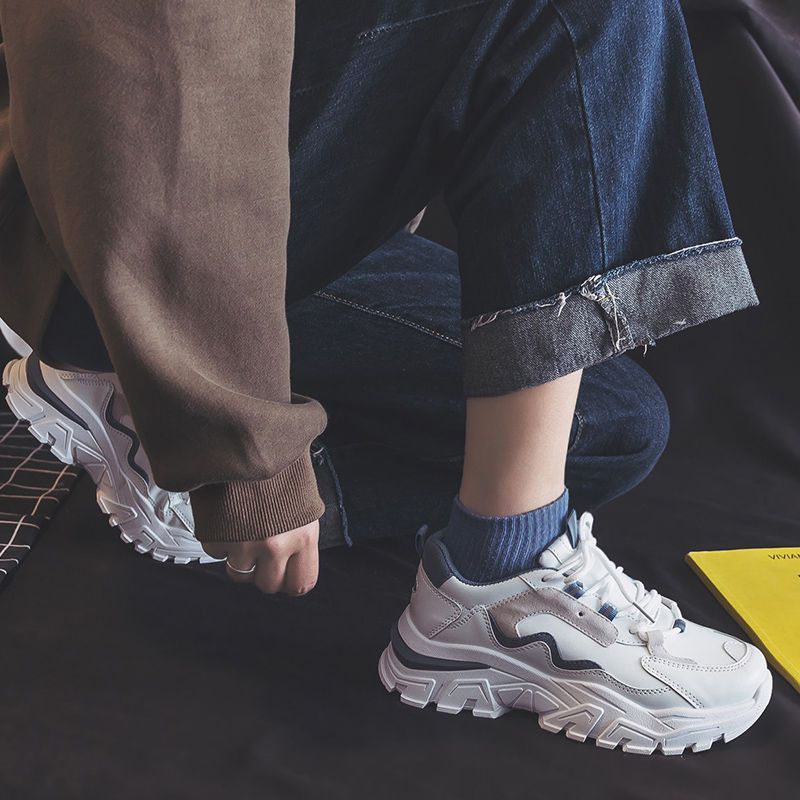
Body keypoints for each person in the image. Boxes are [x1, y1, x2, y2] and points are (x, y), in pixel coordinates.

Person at [0, 0, 772, 753]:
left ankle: (162, 451)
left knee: (607, 426)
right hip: (108, 219)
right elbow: (135, 62)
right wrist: (240, 439)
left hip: (255, 214)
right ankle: (501, 576)